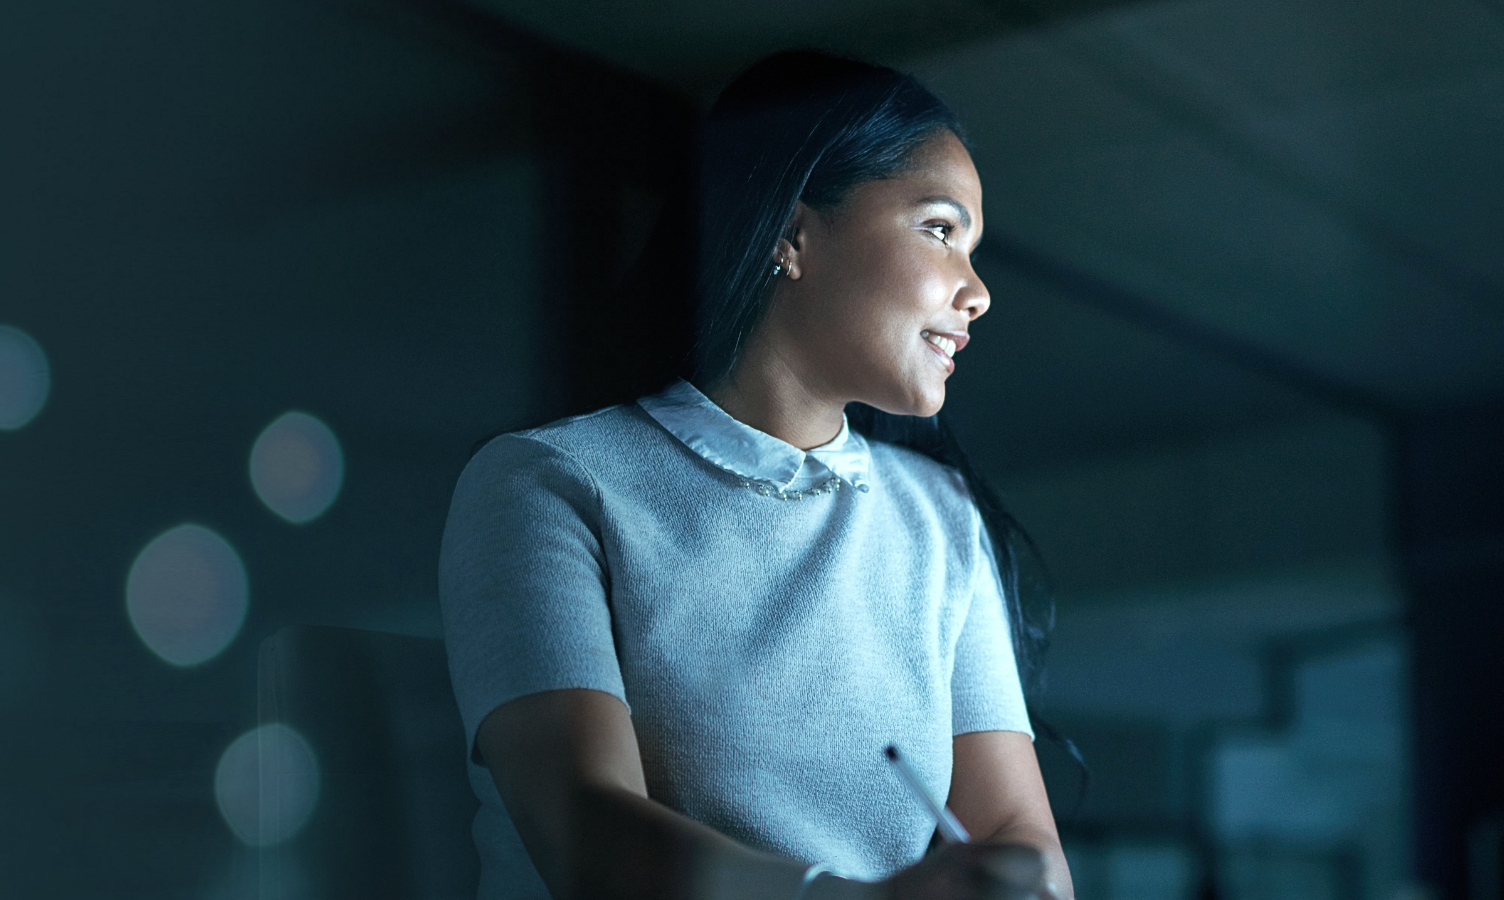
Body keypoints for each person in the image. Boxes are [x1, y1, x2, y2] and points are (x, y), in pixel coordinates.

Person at [440, 50, 1069, 900]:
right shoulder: (547, 484)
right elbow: (587, 832)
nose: (978, 291)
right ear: (793, 234)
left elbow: (1013, 831)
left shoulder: (940, 517)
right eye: (939, 229)